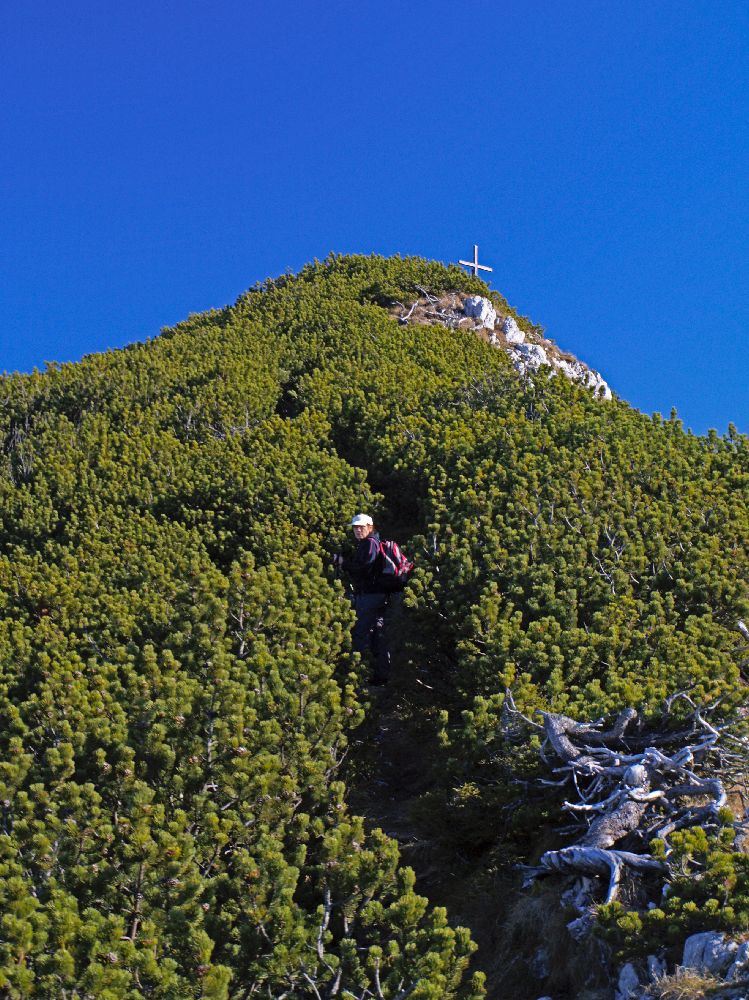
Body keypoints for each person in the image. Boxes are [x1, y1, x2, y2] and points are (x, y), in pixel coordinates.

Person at [334, 513, 401, 686]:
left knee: (360, 634)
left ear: (370, 527)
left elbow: (363, 569)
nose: (358, 530)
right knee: (377, 635)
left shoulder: (369, 544)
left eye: (361, 527)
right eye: (355, 527)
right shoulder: (374, 543)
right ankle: (381, 676)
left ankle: (355, 677)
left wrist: (343, 563)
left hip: (371, 596)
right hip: (379, 595)